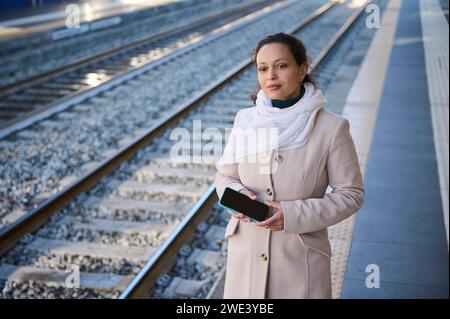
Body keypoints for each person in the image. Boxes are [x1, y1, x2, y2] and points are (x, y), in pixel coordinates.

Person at [215, 32, 364, 299]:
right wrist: (238, 197)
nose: (270, 75)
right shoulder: (246, 120)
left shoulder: (332, 128)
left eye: (281, 66)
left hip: (300, 265)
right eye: (263, 68)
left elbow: (351, 195)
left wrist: (292, 214)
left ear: (302, 69)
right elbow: (225, 177)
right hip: (246, 259)